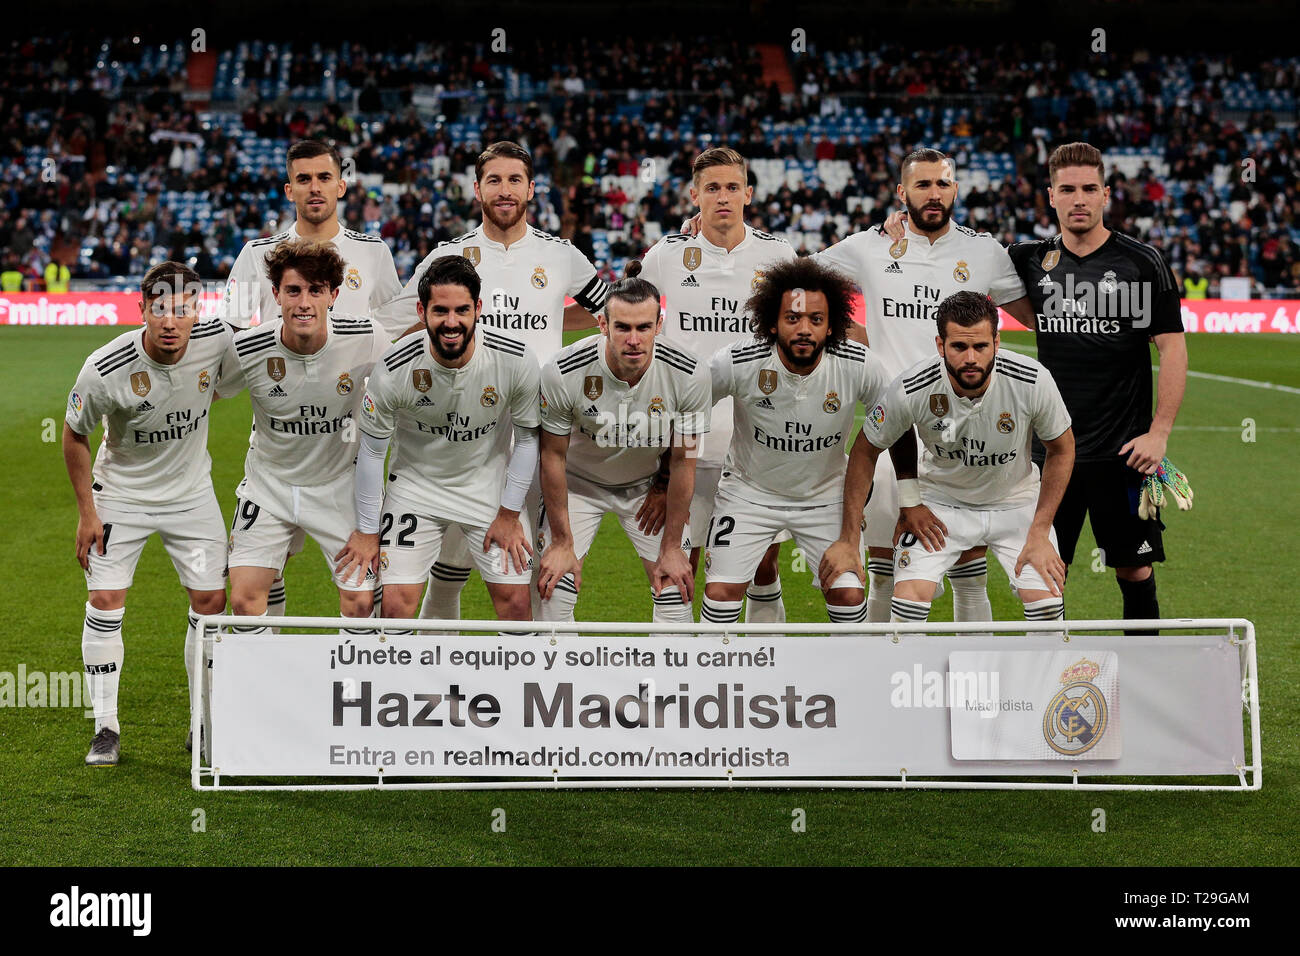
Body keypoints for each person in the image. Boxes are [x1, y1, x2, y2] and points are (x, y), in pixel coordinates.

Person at [375, 141, 610, 623]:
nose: (505, 191)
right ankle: (433, 683)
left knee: (542, 566)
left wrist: (562, 344)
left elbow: (613, 310)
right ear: (477, 189)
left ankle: (548, 681)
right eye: (494, 181)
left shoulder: (560, 255)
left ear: (530, 188)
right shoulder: (451, 256)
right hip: (467, 430)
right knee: (451, 560)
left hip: (540, 430)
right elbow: (395, 321)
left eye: (515, 180)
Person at [818, 147, 1039, 623]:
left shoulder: (984, 252)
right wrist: (708, 229)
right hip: (890, 432)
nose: (934, 194)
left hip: (962, 433)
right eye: (922, 185)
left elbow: (1040, 319)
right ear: (903, 192)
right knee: (882, 572)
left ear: (955, 189)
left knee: (969, 572)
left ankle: (972, 692)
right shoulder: (870, 246)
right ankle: (878, 682)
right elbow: (797, 277)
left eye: (942, 184)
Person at [220, 139, 404, 622]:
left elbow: (394, 334)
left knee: (361, 593)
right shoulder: (256, 256)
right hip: (281, 430)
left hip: (349, 441)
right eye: (303, 179)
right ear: (289, 189)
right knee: (262, 575)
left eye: (324, 177)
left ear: (341, 185)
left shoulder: (372, 253)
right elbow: (232, 339)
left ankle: (366, 685)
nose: (315, 187)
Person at [1006, 142, 1187, 629]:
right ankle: (1044, 686)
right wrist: (899, 226)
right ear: (1051, 196)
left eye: (1089, 188)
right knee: (1040, 572)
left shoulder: (1142, 262)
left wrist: (1160, 432)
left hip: (1125, 452)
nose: (1078, 198)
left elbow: (1171, 348)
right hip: (1051, 451)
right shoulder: (1027, 258)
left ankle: (1143, 677)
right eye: (1068, 189)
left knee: (1134, 567)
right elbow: (961, 255)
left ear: (1106, 194)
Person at [62, 262, 232, 766]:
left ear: (197, 311)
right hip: (120, 496)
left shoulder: (217, 341)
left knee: (211, 601)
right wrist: (87, 512)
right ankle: (106, 727)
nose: (171, 320)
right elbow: (74, 433)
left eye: (182, 309)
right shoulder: (105, 366)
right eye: (160, 309)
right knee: (106, 599)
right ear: (142, 310)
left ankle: (201, 721)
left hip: (191, 495)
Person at [820, 291, 1075, 626]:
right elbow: (866, 450)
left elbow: (1063, 448)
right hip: (943, 504)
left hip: (1015, 504)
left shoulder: (1032, 379)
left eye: (981, 346)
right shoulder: (912, 386)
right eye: (959, 347)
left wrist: (1040, 530)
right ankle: (903, 677)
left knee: (1045, 604)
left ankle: (1037, 680)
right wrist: (895, 509)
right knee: (908, 601)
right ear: (940, 345)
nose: (971, 358)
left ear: (997, 342)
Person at [637, 146, 798, 624]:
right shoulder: (667, 255)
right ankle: (682, 685)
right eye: (712, 188)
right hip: (682, 441)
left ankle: (770, 676)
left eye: (732, 187)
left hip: (754, 439)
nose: (722, 197)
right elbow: (635, 316)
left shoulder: (777, 255)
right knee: (678, 565)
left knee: (762, 566)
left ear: (748, 193)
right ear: (694, 195)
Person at [337, 256, 541, 624]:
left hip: (487, 487)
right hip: (415, 487)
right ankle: (400, 683)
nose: (451, 323)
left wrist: (510, 513)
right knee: (396, 607)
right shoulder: (395, 367)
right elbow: (370, 454)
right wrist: (368, 532)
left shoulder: (515, 359)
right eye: (440, 311)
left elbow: (527, 441)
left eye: (462, 310)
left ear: (478, 308)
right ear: (422, 310)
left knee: (515, 605)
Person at [702, 257, 891, 626]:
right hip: (748, 494)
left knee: (849, 594)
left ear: (832, 324)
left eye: (816, 320)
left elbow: (896, 426)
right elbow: (689, 405)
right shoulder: (737, 361)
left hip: (825, 497)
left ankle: (852, 681)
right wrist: (665, 475)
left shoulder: (859, 364)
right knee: (720, 596)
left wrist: (908, 501)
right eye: (793, 318)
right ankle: (731, 682)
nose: (804, 329)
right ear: (772, 323)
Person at [535, 276, 710, 628]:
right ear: (603, 324)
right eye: (623, 327)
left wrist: (673, 546)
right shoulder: (563, 371)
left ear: (659, 325)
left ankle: (665, 684)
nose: (634, 340)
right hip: (577, 487)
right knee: (554, 589)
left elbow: (683, 460)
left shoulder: (690, 373)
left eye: (644, 327)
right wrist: (561, 540)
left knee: (675, 591)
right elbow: (551, 456)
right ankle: (560, 683)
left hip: (646, 489)